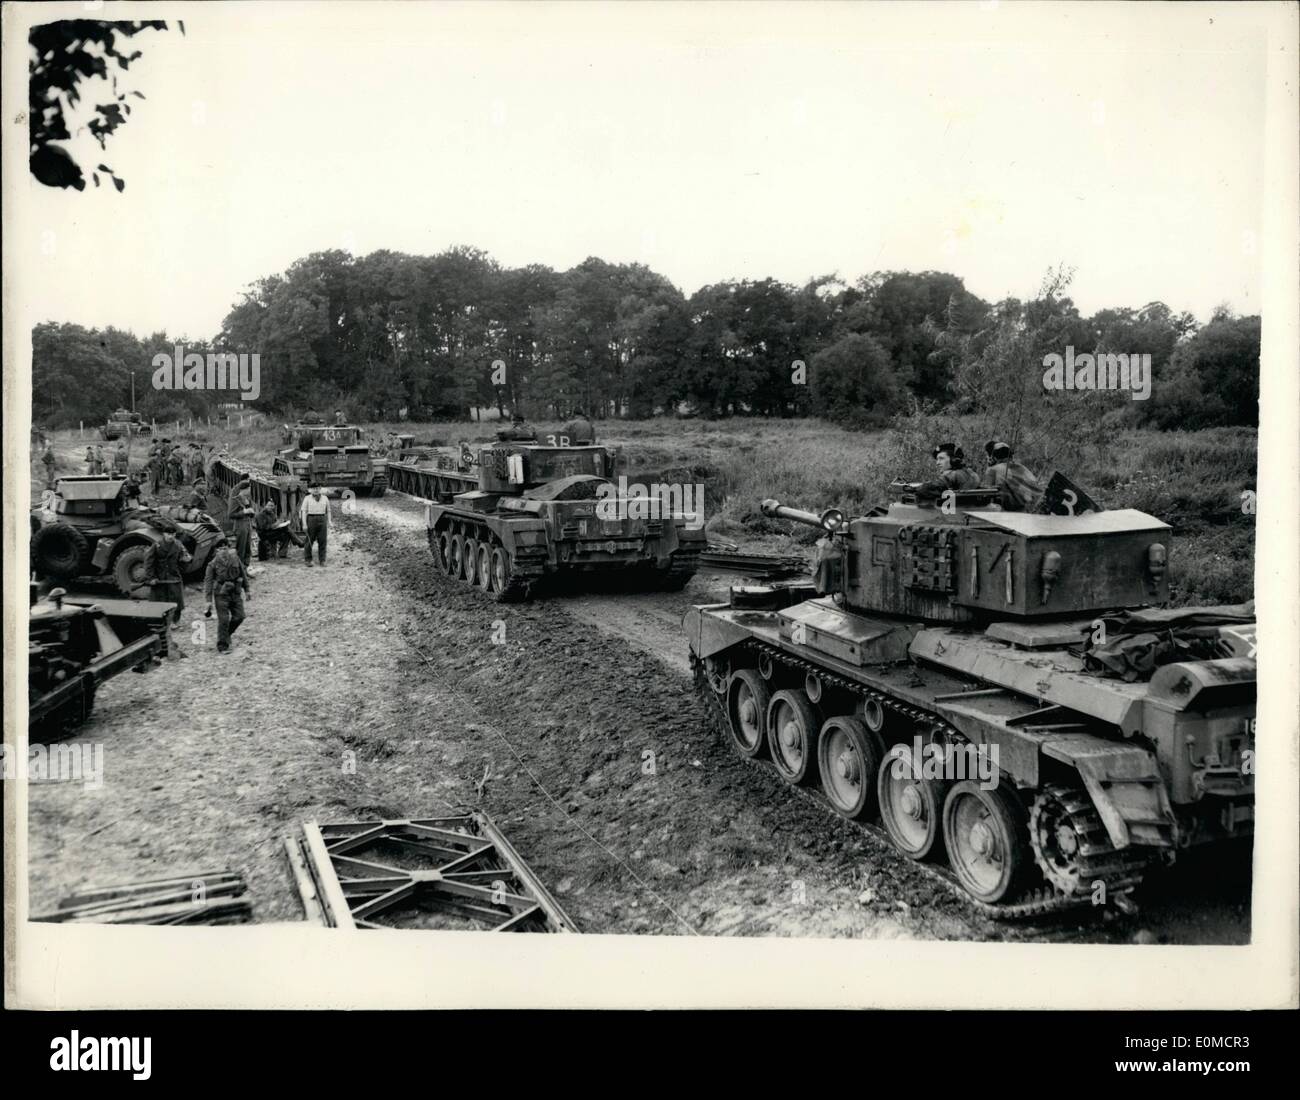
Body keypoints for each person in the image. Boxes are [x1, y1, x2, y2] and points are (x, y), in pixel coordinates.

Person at [204, 537, 250, 654]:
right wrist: (208, 600)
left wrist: (247, 589)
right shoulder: (212, 564)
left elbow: (243, 574)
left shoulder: (235, 559)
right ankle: (222, 645)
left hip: (235, 591)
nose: (223, 551)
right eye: (220, 549)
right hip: (221, 593)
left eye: (226, 548)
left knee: (240, 616)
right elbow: (208, 582)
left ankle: (225, 635)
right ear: (216, 551)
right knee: (223, 619)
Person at [142, 527, 191, 631]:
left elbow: (185, 559)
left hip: (174, 577)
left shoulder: (178, 545)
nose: (171, 536)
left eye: (173, 534)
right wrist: (151, 577)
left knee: (177, 600)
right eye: (168, 534)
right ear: (164, 534)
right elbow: (148, 562)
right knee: (158, 600)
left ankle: (175, 622)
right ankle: (159, 622)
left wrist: (185, 561)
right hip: (159, 578)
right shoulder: (157, 545)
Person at [983, 441, 1042, 512]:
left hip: (1010, 513)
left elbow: (985, 494)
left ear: (994, 457)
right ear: (1011, 456)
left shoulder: (992, 470)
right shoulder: (1023, 468)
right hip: (1033, 508)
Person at [299, 484, 331, 566]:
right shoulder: (307, 498)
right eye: (314, 488)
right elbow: (304, 511)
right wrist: (304, 524)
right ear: (310, 490)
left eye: (317, 488)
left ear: (320, 489)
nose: (316, 490)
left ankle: (322, 560)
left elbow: (329, 511)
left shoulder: (325, 498)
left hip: (322, 519)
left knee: (322, 540)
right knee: (309, 540)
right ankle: (308, 560)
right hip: (311, 519)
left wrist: (329, 521)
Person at [227, 479, 256, 566]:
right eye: (249, 489)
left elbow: (250, 514)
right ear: (245, 489)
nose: (250, 491)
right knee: (241, 548)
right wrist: (244, 512)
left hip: (248, 525)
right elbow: (231, 514)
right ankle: (239, 569)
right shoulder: (235, 500)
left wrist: (251, 513)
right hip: (240, 525)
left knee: (248, 548)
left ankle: (246, 566)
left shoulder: (247, 499)